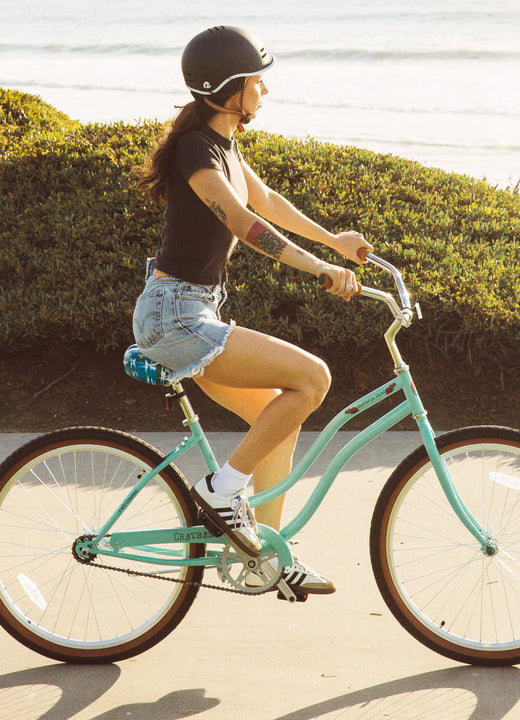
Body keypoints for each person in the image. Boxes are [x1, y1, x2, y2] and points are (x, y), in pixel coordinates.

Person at [133, 25, 372, 594]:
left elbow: (267, 203)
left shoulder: (224, 147)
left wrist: (334, 241)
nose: (265, 89)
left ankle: (265, 556)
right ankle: (220, 491)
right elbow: (243, 222)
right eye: (256, 80)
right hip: (176, 316)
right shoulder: (197, 152)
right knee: (313, 378)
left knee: (278, 419)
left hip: (193, 313)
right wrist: (317, 269)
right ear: (227, 88)